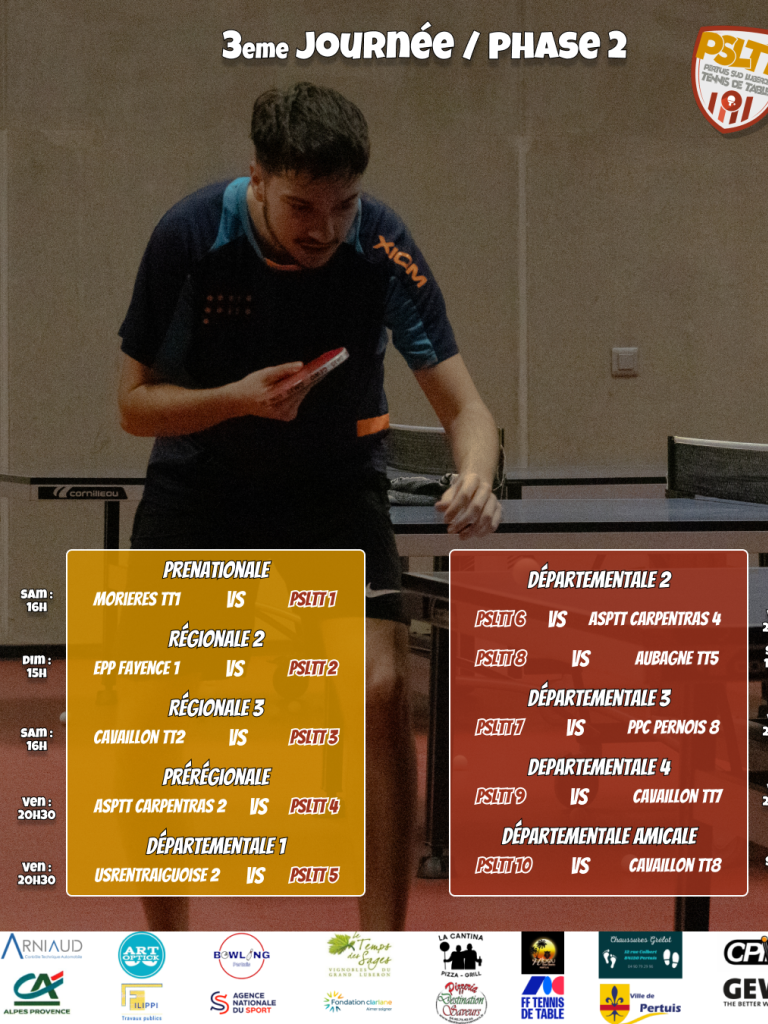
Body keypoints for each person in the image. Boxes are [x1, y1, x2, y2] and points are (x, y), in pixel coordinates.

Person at [117, 81, 501, 931]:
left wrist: (478, 473)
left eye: (342, 205)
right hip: (201, 486)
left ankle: (382, 955)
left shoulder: (381, 244)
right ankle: (168, 952)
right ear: (257, 177)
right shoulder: (191, 236)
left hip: (331, 491)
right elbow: (134, 406)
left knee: (381, 688)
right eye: (301, 206)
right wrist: (237, 401)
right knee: (157, 712)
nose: (324, 227)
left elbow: (466, 409)